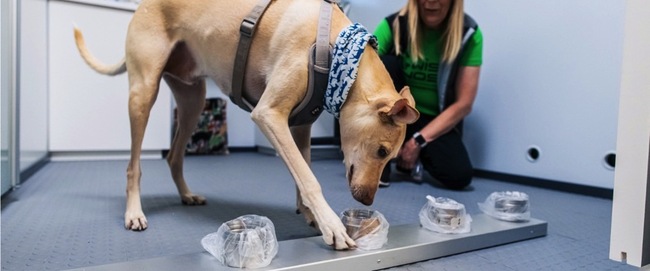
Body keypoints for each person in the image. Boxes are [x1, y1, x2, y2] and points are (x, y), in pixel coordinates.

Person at [374, 0, 483, 190]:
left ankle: (411, 155)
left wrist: (418, 141)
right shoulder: (394, 24)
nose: (431, 2)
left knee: (459, 176)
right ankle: (379, 162)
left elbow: (464, 103)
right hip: (396, 113)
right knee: (384, 62)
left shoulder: (469, 34)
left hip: (432, 121)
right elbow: (362, 65)